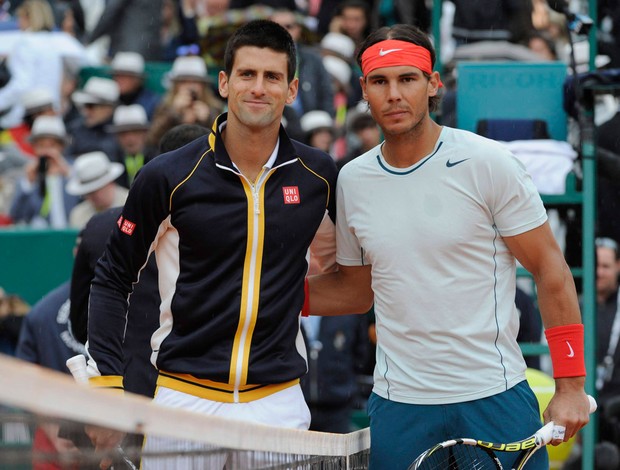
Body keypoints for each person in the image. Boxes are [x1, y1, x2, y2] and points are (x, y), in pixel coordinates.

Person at [307, 24, 591, 470]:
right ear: (364, 89)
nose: (394, 94)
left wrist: (571, 386)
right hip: (399, 404)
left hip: (492, 396)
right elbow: (356, 291)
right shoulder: (352, 181)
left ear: (433, 83)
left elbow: (549, 269)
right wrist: (269, 295)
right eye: (380, 82)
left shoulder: (489, 162)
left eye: (408, 79)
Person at [83, 19, 337, 469]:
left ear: (292, 89)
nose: (258, 88)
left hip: (278, 403)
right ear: (224, 83)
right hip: (183, 401)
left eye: (272, 76)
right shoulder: (168, 174)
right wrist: (106, 385)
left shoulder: (318, 176)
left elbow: (349, 270)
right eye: (247, 74)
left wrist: (283, 296)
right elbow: (111, 279)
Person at [9, 115, 79, 228]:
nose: (46, 151)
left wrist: (68, 174)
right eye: (41, 146)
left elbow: (86, 203)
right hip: (42, 240)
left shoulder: (74, 168)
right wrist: (29, 183)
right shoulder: (29, 173)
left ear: (61, 147)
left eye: (52, 145)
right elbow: (16, 215)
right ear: (34, 147)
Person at [592, 237, 620, 444]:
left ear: (618, 266)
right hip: (587, 402)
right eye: (596, 266)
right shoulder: (578, 304)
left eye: (605, 266)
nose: (599, 272)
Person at [65, 151, 129, 229]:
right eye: (87, 192)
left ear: (110, 182)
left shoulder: (131, 204)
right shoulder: (78, 215)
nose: (92, 196)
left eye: (96, 190)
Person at [107, 104, 157, 188]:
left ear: (145, 133)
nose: (130, 138)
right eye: (123, 133)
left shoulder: (158, 158)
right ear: (116, 137)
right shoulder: (110, 161)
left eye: (135, 132)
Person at [110, 51, 162, 120]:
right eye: (117, 75)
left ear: (138, 79)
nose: (120, 80)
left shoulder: (154, 103)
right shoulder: (108, 100)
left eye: (125, 76)